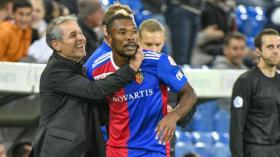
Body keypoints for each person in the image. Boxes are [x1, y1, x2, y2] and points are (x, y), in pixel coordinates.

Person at [29, 15, 143, 157]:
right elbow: (95, 91)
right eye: (73, 35)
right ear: (56, 45)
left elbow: (96, 105)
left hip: (82, 149)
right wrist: (131, 68)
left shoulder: (80, 70)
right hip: (59, 151)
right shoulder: (55, 71)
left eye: (80, 33)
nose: (81, 38)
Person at [87, 13, 197, 157]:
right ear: (109, 39)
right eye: (122, 33)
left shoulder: (158, 62)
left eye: (133, 31)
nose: (130, 37)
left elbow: (190, 93)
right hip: (117, 149)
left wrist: (174, 115)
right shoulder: (96, 68)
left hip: (153, 149)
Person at [230, 28, 280, 157]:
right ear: (258, 51)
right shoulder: (246, 81)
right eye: (270, 47)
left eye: (278, 46)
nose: (275, 51)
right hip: (255, 150)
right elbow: (237, 125)